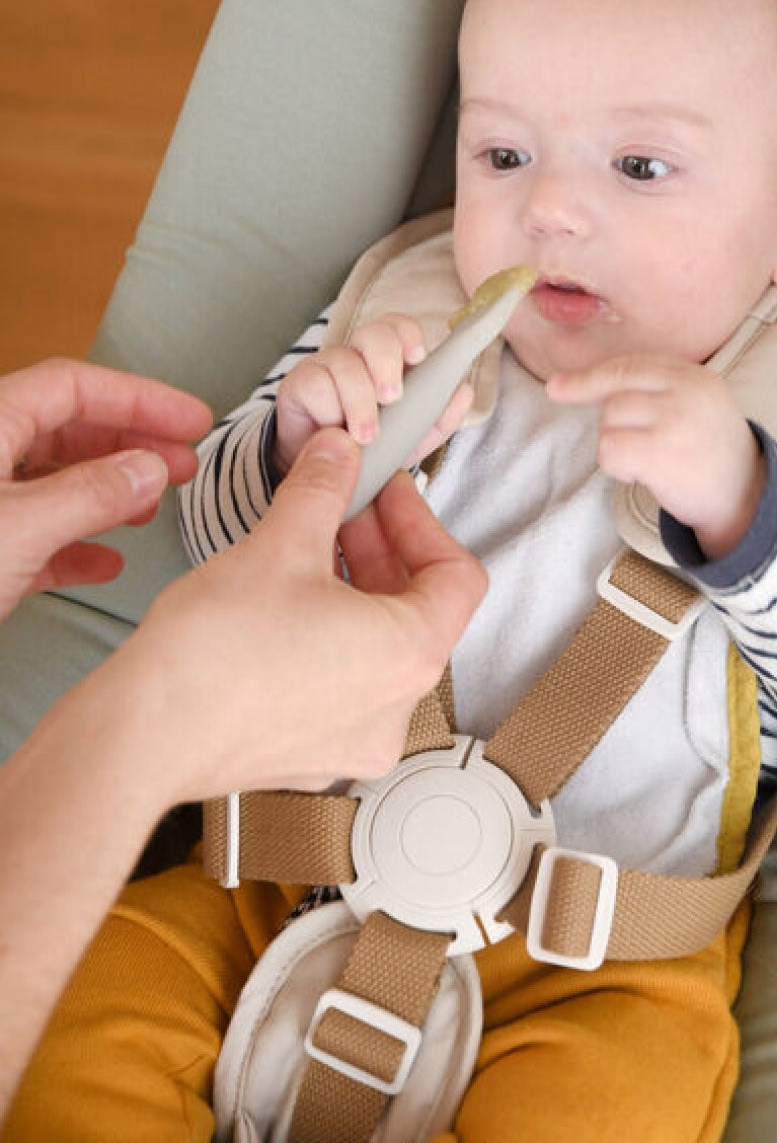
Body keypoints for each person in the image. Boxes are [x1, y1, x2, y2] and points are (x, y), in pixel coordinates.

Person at [8, 0, 777, 1142]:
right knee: (87, 1017)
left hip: (592, 960)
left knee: (613, 1104)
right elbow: (225, 554)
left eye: (639, 167)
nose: (550, 209)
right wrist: (305, 441)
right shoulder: (408, 343)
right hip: (277, 882)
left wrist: (741, 503)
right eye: (504, 155)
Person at [0, 357, 487, 1123]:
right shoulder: (397, 329)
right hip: (269, 883)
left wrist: (736, 514)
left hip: (574, 961)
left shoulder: (743, 439)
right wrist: (288, 457)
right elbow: (213, 538)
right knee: (81, 1032)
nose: (555, 225)